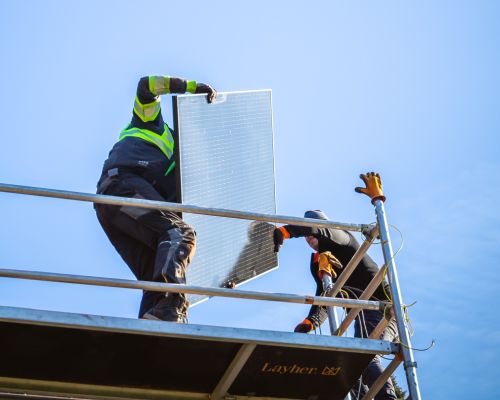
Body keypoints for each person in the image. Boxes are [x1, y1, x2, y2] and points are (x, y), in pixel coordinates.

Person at [94, 75, 216, 323]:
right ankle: (172, 304)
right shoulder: (154, 124)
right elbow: (146, 86)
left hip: (122, 209)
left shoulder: (183, 181)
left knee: (155, 270)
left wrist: (223, 277)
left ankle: (151, 329)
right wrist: (191, 87)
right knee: (180, 233)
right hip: (122, 185)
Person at [273, 207, 398, 400]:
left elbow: (318, 229)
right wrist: (311, 321)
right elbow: (325, 296)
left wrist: (286, 231)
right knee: (347, 365)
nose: (308, 237)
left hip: (381, 309)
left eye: (309, 231)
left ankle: (388, 398)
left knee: (364, 356)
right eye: (306, 236)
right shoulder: (319, 260)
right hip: (362, 314)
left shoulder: (341, 237)